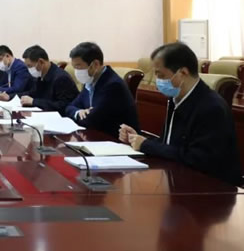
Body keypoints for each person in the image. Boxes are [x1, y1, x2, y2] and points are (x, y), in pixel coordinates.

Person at [120, 42, 241, 186]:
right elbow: (168, 143)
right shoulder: (176, 99)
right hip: (180, 180)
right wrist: (137, 139)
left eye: (160, 75)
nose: (158, 81)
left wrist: (146, 145)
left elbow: (197, 159)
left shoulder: (212, 108)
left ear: (183, 73)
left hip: (212, 189)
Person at [65, 42, 139, 138]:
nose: (76, 71)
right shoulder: (90, 81)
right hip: (95, 136)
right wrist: (79, 112)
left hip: (117, 140)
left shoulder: (113, 85)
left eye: (78, 66)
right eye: (74, 67)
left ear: (95, 64)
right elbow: (69, 107)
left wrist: (84, 114)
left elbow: (91, 121)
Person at [20, 45, 79, 115]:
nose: (29, 69)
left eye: (30, 66)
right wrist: (11, 96)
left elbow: (63, 106)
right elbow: (33, 93)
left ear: (41, 62)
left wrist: (34, 102)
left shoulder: (61, 78)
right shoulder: (40, 75)